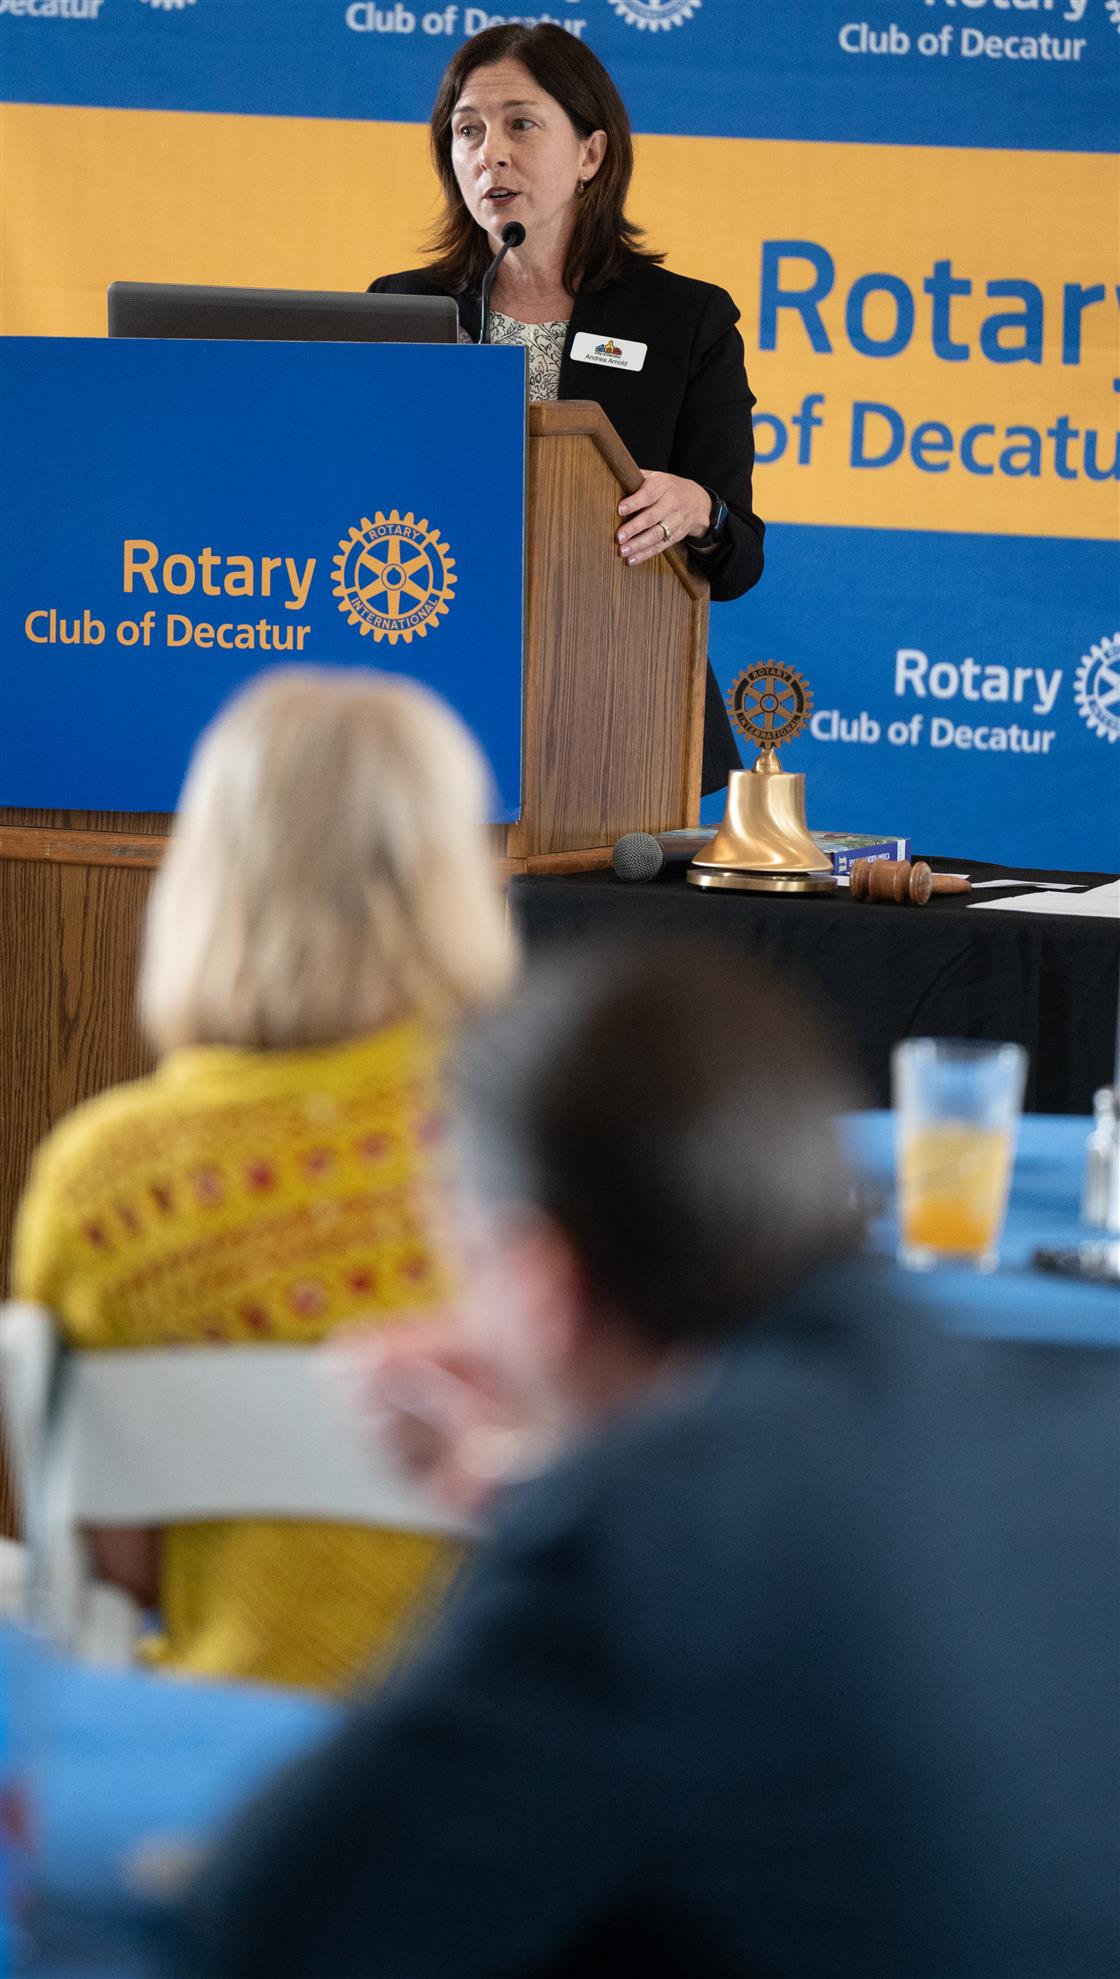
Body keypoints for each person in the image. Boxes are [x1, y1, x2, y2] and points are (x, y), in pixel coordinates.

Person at [179, 942, 1118, 1978]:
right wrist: (530, 1486)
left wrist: (548, 1511)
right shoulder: (1070, 1416)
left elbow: (278, 1919)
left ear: (539, 1278)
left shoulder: (641, 1538)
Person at [11, 666, 513, 1693]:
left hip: (221, 1747)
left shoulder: (101, 1182)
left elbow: (121, 1564)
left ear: (206, 876)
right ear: (454, 878)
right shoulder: (539, 1142)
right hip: (511, 1741)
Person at [370, 23, 765, 797]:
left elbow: (740, 557)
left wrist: (699, 509)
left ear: (591, 153)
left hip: (622, 701)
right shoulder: (403, 309)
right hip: (432, 693)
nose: (490, 153)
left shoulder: (684, 320)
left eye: (521, 124)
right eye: (468, 131)